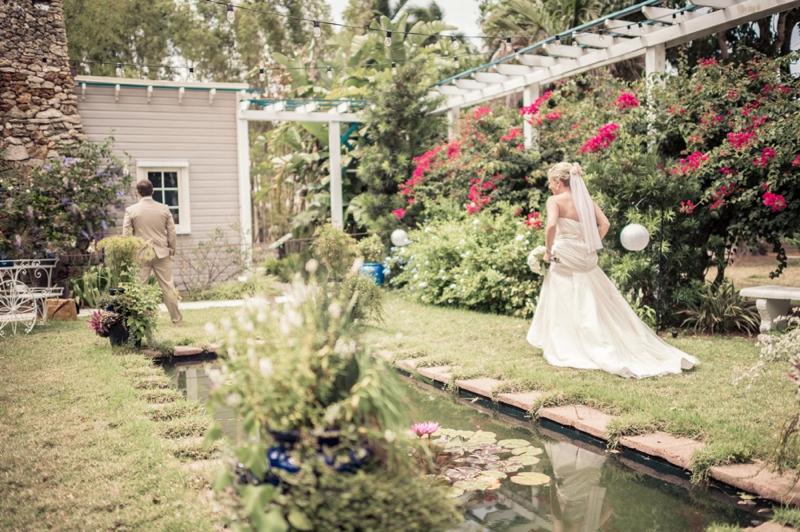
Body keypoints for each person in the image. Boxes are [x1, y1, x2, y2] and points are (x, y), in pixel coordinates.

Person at [527, 162, 697, 379]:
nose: (550, 187)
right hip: (585, 255)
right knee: (591, 296)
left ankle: (569, 344)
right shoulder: (588, 201)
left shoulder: (554, 200)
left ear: (559, 182)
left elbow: (551, 226)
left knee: (564, 297)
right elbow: (605, 224)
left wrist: (548, 252)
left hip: (565, 254)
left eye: (551, 183)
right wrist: (589, 242)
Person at [122, 179, 183, 324]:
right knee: (168, 286)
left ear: (137, 193)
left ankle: (143, 320)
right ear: (153, 191)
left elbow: (126, 235)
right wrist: (171, 248)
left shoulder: (131, 211)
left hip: (140, 254)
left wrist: (130, 253)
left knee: (140, 288)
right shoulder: (164, 208)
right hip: (161, 252)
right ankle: (177, 319)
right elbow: (172, 232)